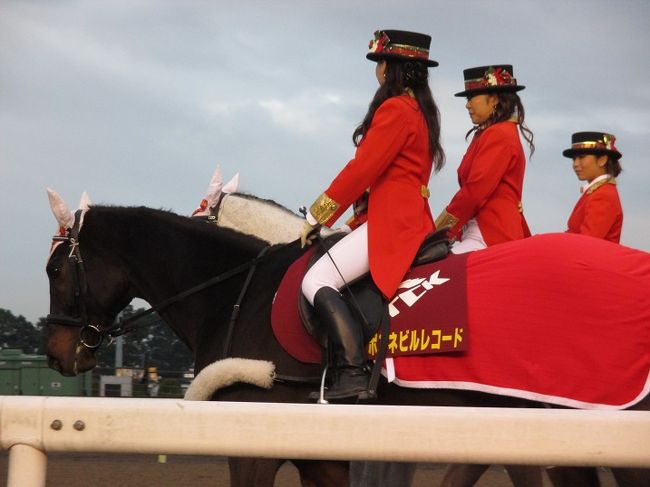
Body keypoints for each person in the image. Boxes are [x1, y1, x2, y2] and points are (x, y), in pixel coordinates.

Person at [299, 29, 444, 402]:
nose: (377, 70)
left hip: (394, 226)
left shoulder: (396, 109)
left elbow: (362, 169)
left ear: (393, 68)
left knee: (315, 280)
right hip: (405, 217)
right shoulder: (420, 110)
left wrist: (319, 215)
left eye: (381, 62)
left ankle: (350, 371)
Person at [435, 64, 534, 254]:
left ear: (494, 98)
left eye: (472, 97)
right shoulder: (487, 133)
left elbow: (474, 192)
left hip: (490, 234)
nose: (467, 104)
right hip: (476, 231)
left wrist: (439, 231)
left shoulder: (499, 134)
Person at [563, 131, 623, 243]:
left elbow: (587, 242)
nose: (575, 164)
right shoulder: (598, 191)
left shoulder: (603, 195)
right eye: (574, 159)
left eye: (581, 157)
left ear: (602, 160)